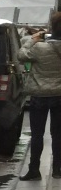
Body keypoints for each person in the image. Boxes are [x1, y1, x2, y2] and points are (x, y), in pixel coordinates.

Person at [17, 10, 61, 180]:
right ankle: (57, 169)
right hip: (59, 95)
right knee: (58, 134)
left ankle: (34, 169)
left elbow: (21, 55)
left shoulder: (39, 48)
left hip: (39, 95)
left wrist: (33, 40)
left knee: (37, 134)